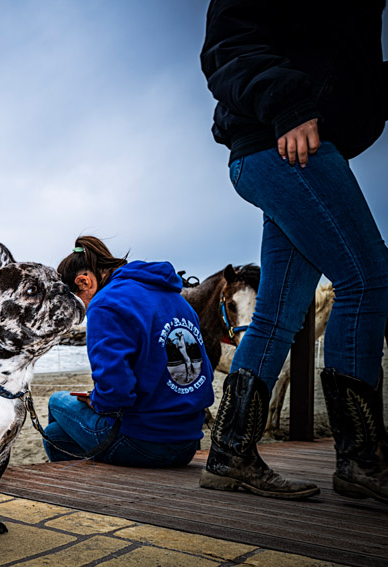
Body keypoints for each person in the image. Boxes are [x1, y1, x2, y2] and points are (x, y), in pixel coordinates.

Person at [200, 0, 388, 502]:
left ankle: (230, 455)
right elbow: (228, 38)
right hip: (286, 140)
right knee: (367, 280)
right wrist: (287, 104)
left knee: (278, 317)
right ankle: (363, 459)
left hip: (288, 146)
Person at [43, 236, 214, 467]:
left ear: (84, 282)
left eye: (78, 304)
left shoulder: (105, 303)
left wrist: (97, 400)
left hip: (143, 442)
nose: (82, 313)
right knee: (55, 435)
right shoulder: (176, 298)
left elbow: (116, 395)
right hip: (187, 443)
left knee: (56, 401)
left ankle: (79, 492)